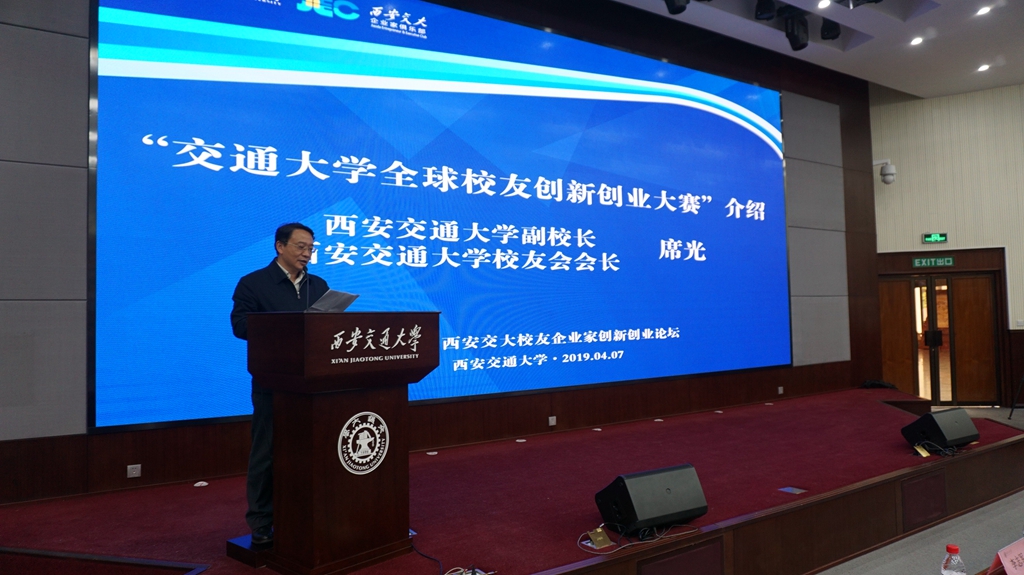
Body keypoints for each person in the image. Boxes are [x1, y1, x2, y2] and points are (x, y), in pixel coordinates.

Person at [230, 223, 329, 546]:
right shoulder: (254, 283)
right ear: (280, 246)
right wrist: (286, 328)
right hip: (273, 383)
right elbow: (240, 326)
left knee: (313, 452)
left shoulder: (318, 285)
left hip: (314, 385)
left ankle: (309, 514)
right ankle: (261, 521)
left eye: (311, 248)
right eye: (301, 246)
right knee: (267, 453)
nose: (307, 253)